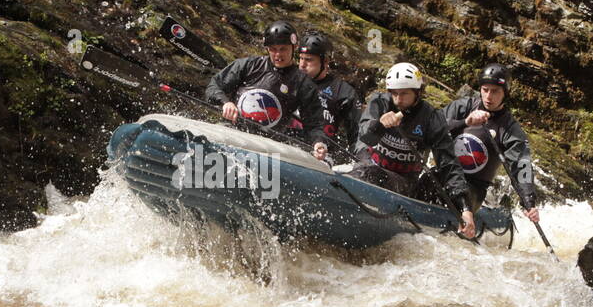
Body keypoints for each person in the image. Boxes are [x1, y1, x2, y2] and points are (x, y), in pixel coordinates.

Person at [348, 62, 479, 235]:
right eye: (394, 93)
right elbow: (365, 136)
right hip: (367, 166)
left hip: (402, 181)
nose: (398, 100)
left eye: (404, 94)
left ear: (418, 93)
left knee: (373, 174)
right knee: (367, 171)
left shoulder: (431, 118)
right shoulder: (379, 103)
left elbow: (448, 163)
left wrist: (465, 208)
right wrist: (379, 125)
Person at [424, 63, 540, 238]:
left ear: (505, 94)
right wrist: (465, 122)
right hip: (445, 174)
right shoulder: (463, 107)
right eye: (485, 90)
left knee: (457, 195)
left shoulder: (510, 129)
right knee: (424, 185)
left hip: (474, 189)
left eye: (495, 91)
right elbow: (432, 128)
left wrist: (529, 201)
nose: (489, 96)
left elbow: (521, 166)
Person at [205, 20, 329, 160]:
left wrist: (318, 142)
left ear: (294, 47)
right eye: (273, 49)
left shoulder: (303, 84)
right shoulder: (248, 65)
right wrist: (225, 102)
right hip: (231, 131)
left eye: (283, 49)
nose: (277, 54)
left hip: (265, 146)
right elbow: (213, 86)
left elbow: (314, 124)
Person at [293, 30, 362, 153]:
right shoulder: (290, 79)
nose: (302, 65)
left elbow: (357, 134)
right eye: (300, 58)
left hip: (320, 153)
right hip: (285, 142)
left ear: (325, 61)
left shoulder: (344, 92)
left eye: (308, 60)